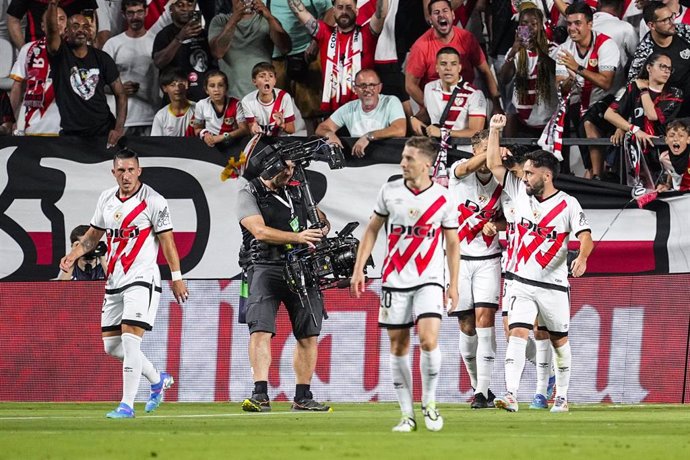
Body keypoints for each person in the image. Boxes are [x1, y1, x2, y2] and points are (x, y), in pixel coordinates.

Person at [59, 148, 189, 418]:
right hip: (115, 280)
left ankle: (127, 405)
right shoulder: (106, 198)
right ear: (113, 172)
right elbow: (94, 235)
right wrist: (72, 255)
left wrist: (177, 277)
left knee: (130, 341)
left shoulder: (154, 201)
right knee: (112, 347)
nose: (126, 175)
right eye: (121, 170)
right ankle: (157, 379)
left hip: (142, 278)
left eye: (131, 170)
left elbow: (168, 242)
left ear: (139, 171)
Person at [350, 136, 460, 432]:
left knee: (428, 340)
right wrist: (359, 269)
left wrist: (454, 284)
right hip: (394, 279)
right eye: (403, 157)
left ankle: (430, 403)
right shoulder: (389, 191)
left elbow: (452, 243)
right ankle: (406, 415)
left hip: (430, 279)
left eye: (409, 159)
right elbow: (372, 230)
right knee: (398, 346)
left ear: (426, 164)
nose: (403, 163)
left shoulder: (444, 198)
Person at [486, 113, 593, 413]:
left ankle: (561, 396)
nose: (525, 177)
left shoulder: (568, 204)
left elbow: (586, 235)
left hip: (553, 285)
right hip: (520, 281)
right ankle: (510, 394)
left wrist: (582, 257)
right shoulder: (519, 191)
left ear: (546, 175)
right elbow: (495, 165)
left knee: (559, 342)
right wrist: (495, 131)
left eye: (530, 173)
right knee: (517, 333)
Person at [237, 159, 332, 413]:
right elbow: (259, 231)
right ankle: (260, 394)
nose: (289, 173)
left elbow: (321, 219)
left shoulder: (299, 189)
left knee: (308, 333)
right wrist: (298, 237)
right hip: (265, 266)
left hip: (302, 267)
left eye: (292, 167)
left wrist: (321, 228)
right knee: (260, 330)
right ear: (269, 166)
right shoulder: (249, 192)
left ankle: (303, 396)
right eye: (284, 167)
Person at [447, 129, 501, 409]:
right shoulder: (458, 172)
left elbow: (511, 217)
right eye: (485, 150)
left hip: (488, 259)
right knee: (466, 325)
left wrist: (497, 225)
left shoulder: (504, 182)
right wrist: (489, 149)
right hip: (458, 260)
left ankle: (481, 393)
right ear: (475, 151)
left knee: (485, 321)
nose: (491, 155)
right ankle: (477, 383)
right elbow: (468, 166)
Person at [45, 2, 127, 147]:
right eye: (75, 26)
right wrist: (52, 4)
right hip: (72, 134)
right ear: (66, 32)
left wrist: (118, 129)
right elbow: (52, 32)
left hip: (103, 132)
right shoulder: (59, 55)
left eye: (85, 27)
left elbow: (120, 94)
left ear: (90, 32)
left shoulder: (102, 58)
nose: (80, 30)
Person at [554, 1, 619, 176]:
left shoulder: (606, 44)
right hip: (578, 106)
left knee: (589, 122)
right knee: (587, 159)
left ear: (590, 24)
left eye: (578, 23)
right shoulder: (564, 49)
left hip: (609, 104)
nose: (572, 28)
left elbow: (606, 83)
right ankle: (593, 174)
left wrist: (577, 68)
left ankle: (598, 177)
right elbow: (561, 87)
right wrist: (568, 80)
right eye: (569, 23)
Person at [289, 0, 388, 112]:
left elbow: (381, 12)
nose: (344, 11)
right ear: (334, 11)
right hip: (334, 113)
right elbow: (299, 11)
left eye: (349, 7)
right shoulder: (324, 33)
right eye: (340, 7)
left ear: (356, 11)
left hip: (363, 109)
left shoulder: (367, 34)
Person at [405, 0, 502, 115]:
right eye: (436, 12)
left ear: (453, 14)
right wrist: (430, 106)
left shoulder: (467, 38)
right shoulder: (421, 46)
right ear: (430, 19)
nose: (441, 15)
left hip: (465, 101)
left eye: (445, 11)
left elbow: (486, 71)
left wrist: (497, 106)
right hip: (435, 103)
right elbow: (410, 85)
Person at [209, 0, 291, 101]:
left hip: (263, 98)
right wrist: (234, 20)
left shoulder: (266, 19)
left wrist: (269, 17)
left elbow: (285, 48)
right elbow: (217, 52)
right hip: (232, 100)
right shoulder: (220, 21)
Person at [410, 47, 487, 152]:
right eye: (443, 64)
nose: (448, 68)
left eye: (453, 64)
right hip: (436, 151)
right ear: (437, 68)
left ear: (459, 68)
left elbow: (476, 132)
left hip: (463, 154)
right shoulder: (429, 88)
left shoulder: (474, 94)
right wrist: (414, 119)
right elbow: (429, 112)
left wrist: (443, 133)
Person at [315, 68, 406, 157]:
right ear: (355, 89)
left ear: (380, 87)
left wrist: (368, 136)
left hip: (386, 158)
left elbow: (400, 130)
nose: (367, 89)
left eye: (372, 85)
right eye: (362, 85)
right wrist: (329, 134)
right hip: (358, 160)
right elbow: (322, 127)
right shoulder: (349, 108)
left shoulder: (390, 102)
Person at [499, 4, 558, 138]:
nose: (529, 27)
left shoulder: (553, 49)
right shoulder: (516, 52)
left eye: (534, 24)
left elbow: (556, 71)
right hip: (521, 121)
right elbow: (504, 78)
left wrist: (539, 50)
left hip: (546, 121)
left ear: (541, 27)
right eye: (525, 23)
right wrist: (514, 50)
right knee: (510, 111)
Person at [103, 0, 160, 136]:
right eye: (131, 13)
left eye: (139, 12)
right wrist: (118, 89)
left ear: (146, 12)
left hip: (151, 118)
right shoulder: (112, 44)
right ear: (123, 14)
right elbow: (99, 83)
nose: (135, 17)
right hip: (120, 121)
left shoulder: (157, 42)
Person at [606, 52, 682, 152]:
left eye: (669, 68)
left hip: (661, 150)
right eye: (662, 66)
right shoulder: (634, 88)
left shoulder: (674, 93)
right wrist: (630, 128)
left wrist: (643, 90)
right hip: (635, 149)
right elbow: (609, 114)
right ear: (649, 68)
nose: (667, 71)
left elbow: (652, 115)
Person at [9, 5, 66, 136]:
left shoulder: (77, 51)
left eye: (61, 19)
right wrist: (11, 119)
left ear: (67, 25)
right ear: (43, 26)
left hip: (67, 129)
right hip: (33, 128)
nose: (56, 23)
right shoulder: (28, 49)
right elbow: (17, 86)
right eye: (51, 18)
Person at [628, 2, 690, 118]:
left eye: (672, 16)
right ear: (652, 25)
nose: (672, 23)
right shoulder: (644, 52)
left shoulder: (685, 32)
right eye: (665, 20)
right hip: (667, 105)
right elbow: (633, 86)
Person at [153, 0, 216, 102]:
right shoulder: (164, 34)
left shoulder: (204, 34)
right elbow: (159, 62)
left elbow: (217, 56)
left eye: (189, 4)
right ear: (171, 9)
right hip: (176, 103)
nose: (185, 9)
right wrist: (180, 37)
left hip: (204, 102)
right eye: (179, 5)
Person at [6, 0, 97, 49]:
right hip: (37, 48)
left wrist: (89, 43)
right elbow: (13, 19)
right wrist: (24, 50)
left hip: (72, 48)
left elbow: (90, 13)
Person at [192, 70, 250, 147]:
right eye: (212, 86)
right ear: (206, 90)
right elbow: (197, 129)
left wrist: (223, 137)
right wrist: (205, 134)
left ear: (226, 88)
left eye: (221, 85)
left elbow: (244, 130)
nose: (216, 89)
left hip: (233, 144)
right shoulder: (201, 105)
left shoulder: (236, 104)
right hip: (212, 145)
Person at [241, 62, 297, 137]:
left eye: (271, 76)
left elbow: (291, 130)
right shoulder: (247, 101)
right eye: (262, 76)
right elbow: (252, 128)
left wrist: (281, 125)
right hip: (261, 140)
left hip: (280, 140)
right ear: (254, 81)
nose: (267, 79)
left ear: (275, 81)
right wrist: (254, 129)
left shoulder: (284, 97)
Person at [151, 67, 196, 136]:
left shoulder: (198, 109)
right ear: (165, 88)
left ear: (186, 85)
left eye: (180, 84)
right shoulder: (161, 116)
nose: (177, 88)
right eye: (172, 85)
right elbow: (156, 144)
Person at [658, 118, 690, 190]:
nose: (676, 139)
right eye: (672, 136)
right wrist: (667, 185)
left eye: (680, 136)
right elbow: (672, 172)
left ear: (688, 139)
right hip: (678, 195)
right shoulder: (664, 157)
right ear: (666, 140)